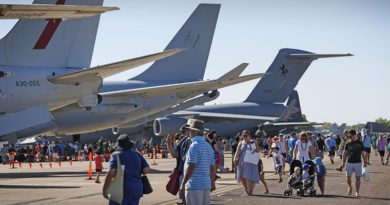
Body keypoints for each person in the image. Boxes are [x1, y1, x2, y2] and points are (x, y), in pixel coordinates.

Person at [103, 134, 150, 205]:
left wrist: (105, 190)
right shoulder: (137, 154)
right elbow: (146, 170)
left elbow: (111, 173)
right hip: (136, 189)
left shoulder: (116, 155)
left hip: (121, 189)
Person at [179, 119, 216, 205]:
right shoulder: (208, 145)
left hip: (194, 185)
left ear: (194, 131)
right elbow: (213, 167)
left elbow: (191, 166)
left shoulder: (194, 146)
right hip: (206, 184)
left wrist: (183, 184)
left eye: (189, 129)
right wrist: (212, 182)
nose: (188, 132)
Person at [337, 129, 367, 197]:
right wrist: (343, 163)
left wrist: (365, 162)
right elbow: (345, 154)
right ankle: (350, 187)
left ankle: (357, 192)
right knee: (348, 178)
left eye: (350, 136)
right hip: (349, 163)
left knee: (358, 178)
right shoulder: (347, 143)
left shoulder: (360, 143)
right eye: (348, 136)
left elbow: (363, 153)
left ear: (354, 135)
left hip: (358, 163)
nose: (349, 138)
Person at [167, 123, 192, 204]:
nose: (183, 133)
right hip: (182, 172)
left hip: (189, 173)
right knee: (183, 196)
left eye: (184, 131)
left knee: (188, 197)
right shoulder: (183, 141)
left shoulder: (192, 141)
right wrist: (169, 143)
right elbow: (175, 154)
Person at [233, 130, 260, 196]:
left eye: (246, 135)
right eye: (243, 135)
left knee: (248, 177)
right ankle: (247, 190)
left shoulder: (253, 142)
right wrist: (234, 159)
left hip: (250, 162)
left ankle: (249, 191)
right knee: (242, 177)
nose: (244, 137)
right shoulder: (241, 143)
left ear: (249, 136)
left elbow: (258, 150)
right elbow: (237, 151)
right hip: (242, 161)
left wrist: (255, 150)